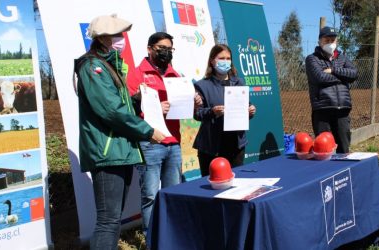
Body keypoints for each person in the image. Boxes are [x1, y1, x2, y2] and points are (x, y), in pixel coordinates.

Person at [74, 14, 165, 249]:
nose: (121, 39)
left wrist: (137, 99)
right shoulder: (92, 66)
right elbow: (111, 111)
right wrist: (146, 130)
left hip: (120, 150)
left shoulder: (109, 65)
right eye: (117, 35)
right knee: (108, 220)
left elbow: (119, 105)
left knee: (113, 219)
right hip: (107, 153)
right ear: (103, 38)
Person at [127, 32, 202, 235]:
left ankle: (171, 237)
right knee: (150, 194)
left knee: (173, 192)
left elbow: (188, 109)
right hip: (150, 143)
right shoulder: (137, 74)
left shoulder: (175, 75)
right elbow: (128, 111)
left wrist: (194, 102)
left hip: (174, 143)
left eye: (170, 48)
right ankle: (151, 238)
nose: (166, 52)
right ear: (149, 48)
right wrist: (153, 108)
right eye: (161, 48)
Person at [193, 44, 256, 177]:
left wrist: (250, 111)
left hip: (236, 145)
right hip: (211, 146)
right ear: (212, 60)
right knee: (212, 185)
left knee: (236, 183)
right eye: (221, 58)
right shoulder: (202, 85)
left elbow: (245, 108)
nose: (225, 61)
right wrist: (212, 111)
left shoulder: (239, 82)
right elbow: (197, 114)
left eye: (228, 58)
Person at [305, 26, 357, 153]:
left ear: (336, 42)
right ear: (319, 42)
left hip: (342, 110)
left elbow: (354, 73)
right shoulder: (312, 59)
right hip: (323, 110)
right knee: (324, 151)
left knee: (344, 150)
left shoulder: (342, 58)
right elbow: (320, 77)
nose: (330, 43)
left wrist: (334, 70)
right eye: (326, 40)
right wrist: (343, 78)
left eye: (332, 40)